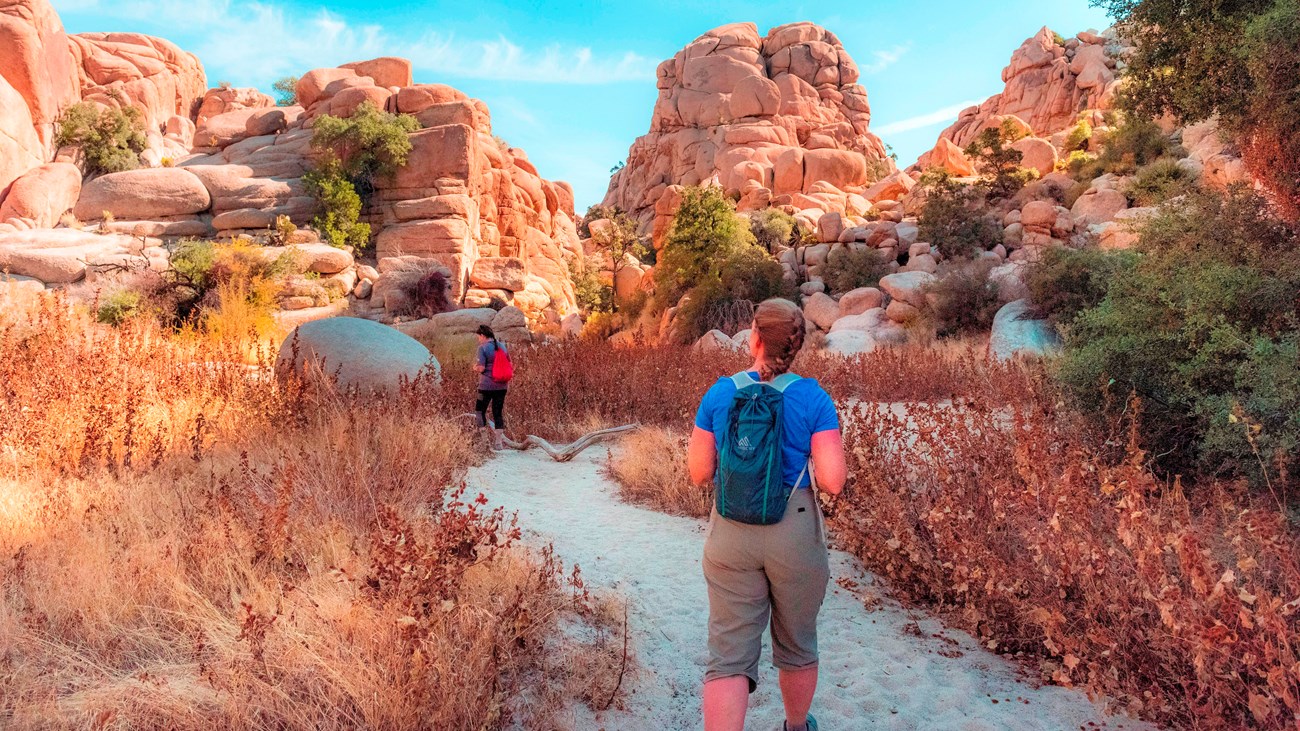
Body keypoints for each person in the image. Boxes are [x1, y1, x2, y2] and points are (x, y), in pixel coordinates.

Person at [688, 298, 847, 731]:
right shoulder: (813, 398)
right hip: (793, 530)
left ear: (754, 338)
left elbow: (699, 473)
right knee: (797, 644)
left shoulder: (720, 392)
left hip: (730, 530)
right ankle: (796, 726)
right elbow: (833, 481)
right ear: (795, 345)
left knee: (729, 658)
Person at [473, 325, 509, 445]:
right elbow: (510, 363)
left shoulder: (482, 348)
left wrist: (475, 367)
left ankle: (484, 441)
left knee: (479, 410)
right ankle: (498, 442)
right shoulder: (502, 346)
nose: (479, 339)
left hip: (486, 386)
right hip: (502, 386)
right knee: (497, 412)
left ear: (483, 336)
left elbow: (481, 367)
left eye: (479, 337)